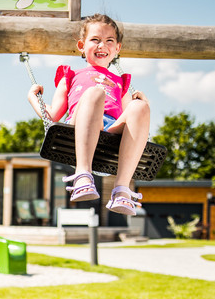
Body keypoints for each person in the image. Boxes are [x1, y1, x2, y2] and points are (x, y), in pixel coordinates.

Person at [27, 13, 151, 215]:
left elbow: (131, 118)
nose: (102, 45)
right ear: (81, 45)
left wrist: (142, 103)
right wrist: (33, 97)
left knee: (140, 108)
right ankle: (83, 174)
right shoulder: (71, 76)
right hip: (80, 122)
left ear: (117, 48)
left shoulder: (121, 83)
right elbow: (53, 116)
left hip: (110, 128)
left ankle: (121, 189)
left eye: (109, 41)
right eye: (95, 40)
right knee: (95, 93)